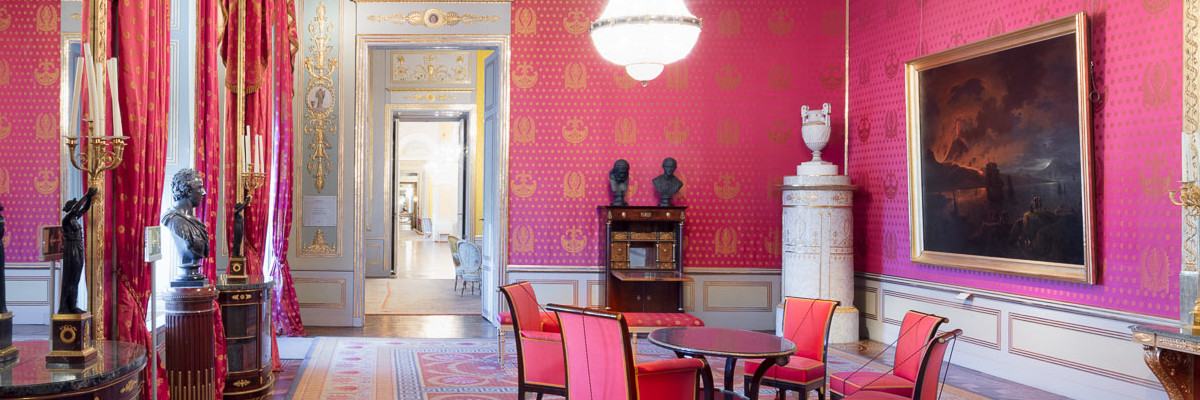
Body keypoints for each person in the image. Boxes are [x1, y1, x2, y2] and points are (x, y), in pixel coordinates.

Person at [162, 169, 210, 287]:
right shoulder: (174, 220)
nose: (204, 192)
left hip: (195, 278)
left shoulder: (194, 221)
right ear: (188, 191)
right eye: (199, 188)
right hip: (185, 283)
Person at [59, 188, 96, 314]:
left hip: (79, 247)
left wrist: (89, 198)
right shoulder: (66, 220)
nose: (76, 208)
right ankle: (68, 306)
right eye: (74, 206)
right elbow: (76, 209)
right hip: (72, 249)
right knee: (71, 278)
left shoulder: (75, 218)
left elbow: (85, 209)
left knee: (76, 278)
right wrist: (86, 195)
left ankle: (73, 305)